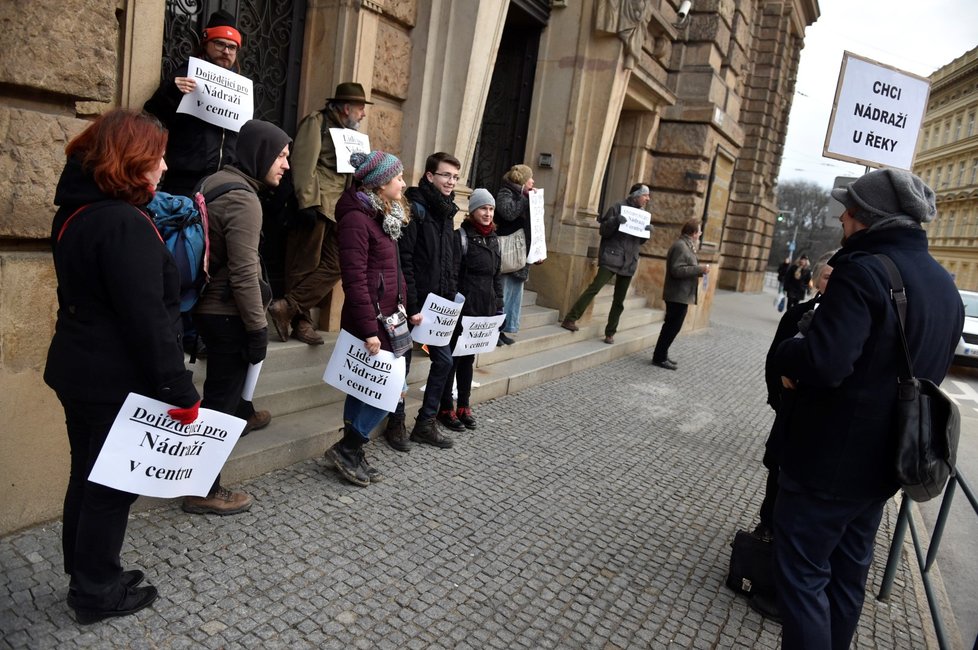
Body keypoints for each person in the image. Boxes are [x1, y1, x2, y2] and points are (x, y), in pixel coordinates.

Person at [772, 169, 963, 649]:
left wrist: (788, 352)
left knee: (803, 577)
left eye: (848, 209)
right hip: (884, 466)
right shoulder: (945, 285)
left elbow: (825, 362)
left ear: (866, 218)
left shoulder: (863, 271)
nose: (841, 216)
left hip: (826, 462)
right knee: (846, 577)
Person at [45, 109, 200, 623]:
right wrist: (179, 388)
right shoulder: (122, 222)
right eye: (157, 156)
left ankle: (88, 570)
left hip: (79, 368)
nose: (164, 166)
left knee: (86, 477)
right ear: (133, 162)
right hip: (113, 378)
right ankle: (95, 592)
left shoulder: (77, 211)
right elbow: (145, 319)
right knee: (110, 490)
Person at [183, 119, 291, 515]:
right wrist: (258, 328)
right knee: (220, 402)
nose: (286, 165)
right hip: (228, 311)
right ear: (260, 154)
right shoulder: (245, 199)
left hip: (209, 307)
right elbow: (245, 271)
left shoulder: (212, 181)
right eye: (281, 155)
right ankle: (203, 488)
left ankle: (241, 416)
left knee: (223, 395)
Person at [748, 251, 834, 622]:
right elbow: (774, 360)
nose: (830, 282)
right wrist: (779, 394)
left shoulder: (847, 318)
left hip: (818, 428)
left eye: (836, 276)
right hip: (789, 417)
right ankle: (766, 531)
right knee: (776, 477)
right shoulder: (798, 315)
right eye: (826, 276)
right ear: (815, 279)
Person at [326, 150, 414, 486]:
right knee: (392, 389)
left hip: (392, 317)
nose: (403, 183)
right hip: (372, 320)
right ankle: (349, 448)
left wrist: (408, 306)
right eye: (398, 178)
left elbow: (393, 271)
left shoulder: (382, 216)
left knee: (364, 387)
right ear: (380, 183)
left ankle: (351, 450)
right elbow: (355, 279)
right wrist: (368, 329)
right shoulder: (357, 219)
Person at [268, 82, 372, 346]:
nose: (363, 114)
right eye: (360, 108)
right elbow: (303, 163)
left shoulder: (352, 135)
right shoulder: (317, 122)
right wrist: (306, 202)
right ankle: (301, 322)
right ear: (347, 107)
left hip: (339, 210)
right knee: (304, 264)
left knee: (337, 264)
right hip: (317, 205)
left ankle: (287, 307)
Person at [377, 152, 462, 451]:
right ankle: (395, 421)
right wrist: (412, 306)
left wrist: (450, 300)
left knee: (444, 361)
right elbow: (406, 261)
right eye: (445, 175)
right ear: (429, 175)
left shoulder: (448, 211)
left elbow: (449, 262)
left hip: (439, 307)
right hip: (414, 305)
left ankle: (425, 423)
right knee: (403, 364)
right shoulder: (414, 208)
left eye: (455, 176)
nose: (451, 181)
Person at [143, 9, 243, 199]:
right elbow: (152, 114)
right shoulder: (186, 74)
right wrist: (173, 91)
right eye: (220, 43)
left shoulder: (240, 87)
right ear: (206, 43)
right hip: (185, 181)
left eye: (232, 47)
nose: (226, 51)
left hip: (221, 183)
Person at [438, 189, 503, 431]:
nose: (487, 213)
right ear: (473, 211)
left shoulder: (494, 239)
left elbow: (497, 277)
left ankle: (463, 404)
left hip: (484, 309)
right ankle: (446, 407)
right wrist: (453, 308)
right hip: (463, 309)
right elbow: (453, 274)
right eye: (483, 208)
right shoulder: (461, 237)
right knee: (453, 359)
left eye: (491, 209)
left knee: (468, 360)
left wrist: (499, 308)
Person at [561, 183, 652, 344]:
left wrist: (647, 231)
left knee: (619, 300)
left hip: (629, 261)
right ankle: (570, 318)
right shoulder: (618, 207)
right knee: (594, 288)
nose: (647, 199)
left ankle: (610, 332)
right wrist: (616, 221)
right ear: (637, 195)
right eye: (645, 195)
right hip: (612, 256)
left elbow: (639, 241)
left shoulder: (643, 214)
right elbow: (603, 230)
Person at [651, 219, 708, 369]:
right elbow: (676, 270)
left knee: (673, 327)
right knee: (671, 326)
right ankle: (659, 357)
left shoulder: (686, 245)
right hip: (676, 294)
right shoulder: (681, 246)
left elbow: (686, 267)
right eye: (699, 231)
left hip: (681, 294)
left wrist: (700, 271)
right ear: (694, 233)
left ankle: (662, 354)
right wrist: (699, 269)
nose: (700, 234)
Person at [495, 164, 535, 345]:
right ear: (523, 180)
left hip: (520, 252)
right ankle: (494, 330)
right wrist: (525, 199)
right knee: (503, 293)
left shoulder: (524, 196)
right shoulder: (506, 193)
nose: (533, 182)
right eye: (530, 178)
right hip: (509, 251)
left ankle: (504, 330)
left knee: (514, 295)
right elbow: (508, 213)